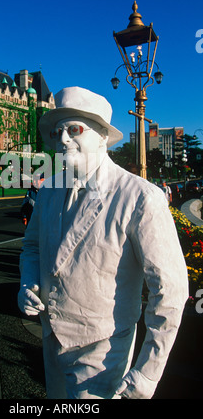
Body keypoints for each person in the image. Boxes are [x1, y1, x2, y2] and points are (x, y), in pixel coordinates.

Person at [18, 86, 189, 399]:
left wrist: (149, 372)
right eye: (57, 132)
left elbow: (171, 291)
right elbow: (32, 247)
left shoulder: (140, 198)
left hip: (103, 353)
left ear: (101, 136)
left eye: (74, 129)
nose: (63, 138)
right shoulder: (50, 190)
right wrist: (28, 283)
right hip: (51, 338)